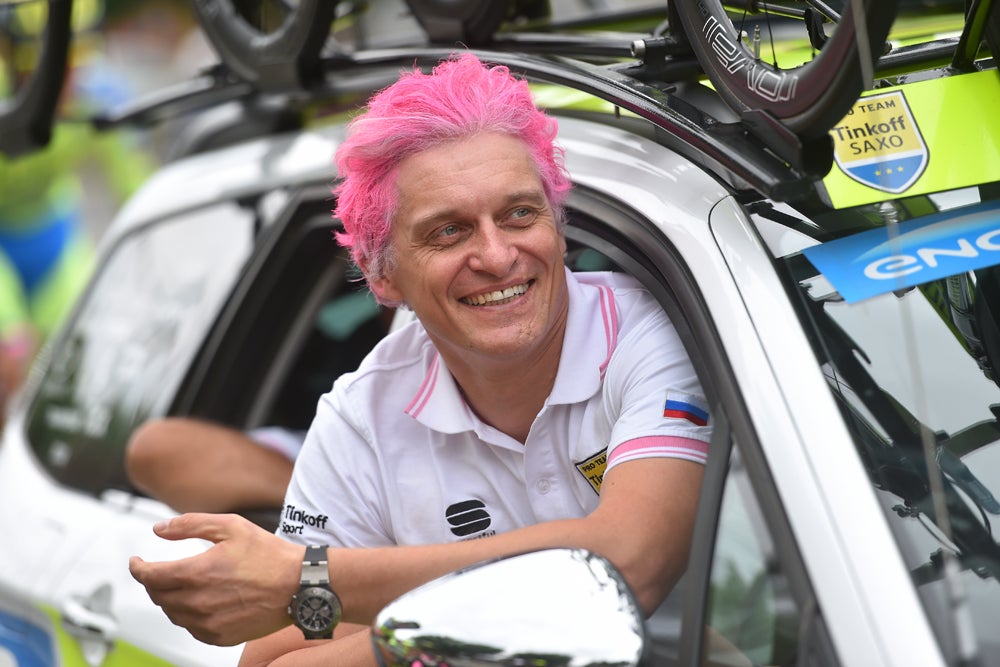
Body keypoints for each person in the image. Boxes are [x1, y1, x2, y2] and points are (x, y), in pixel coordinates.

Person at [129, 52, 711, 666]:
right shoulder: (363, 416)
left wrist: (311, 580)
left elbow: (629, 560)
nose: (496, 255)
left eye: (519, 213)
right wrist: (408, 641)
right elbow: (272, 660)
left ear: (558, 227)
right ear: (383, 278)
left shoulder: (651, 331)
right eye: (448, 232)